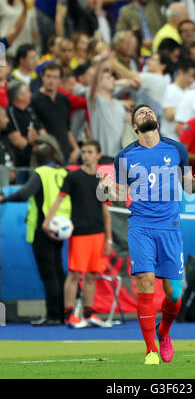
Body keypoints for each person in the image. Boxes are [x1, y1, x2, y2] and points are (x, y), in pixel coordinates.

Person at [98, 103, 195, 365]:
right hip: (141, 226)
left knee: (173, 294)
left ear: (156, 120)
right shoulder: (124, 157)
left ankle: (164, 332)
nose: (147, 113)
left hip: (169, 227)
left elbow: (189, 189)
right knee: (146, 281)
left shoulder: (176, 149)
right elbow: (121, 194)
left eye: (149, 111)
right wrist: (107, 189)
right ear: (135, 126)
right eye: (140, 113)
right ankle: (150, 351)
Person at [42, 140, 113, 328]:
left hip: (98, 234)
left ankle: (89, 314)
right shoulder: (72, 177)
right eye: (83, 152)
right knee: (74, 275)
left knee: (91, 275)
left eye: (90, 152)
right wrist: (47, 222)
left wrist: (109, 239)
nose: (86, 155)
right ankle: (70, 316)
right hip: (79, 234)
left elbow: (106, 211)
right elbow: (58, 201)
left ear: (98, 155)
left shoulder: (102, 180)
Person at [0, 143, 71, 325]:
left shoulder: (41, 173)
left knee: (49, 275)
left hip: (43, 228)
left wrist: (4, 199)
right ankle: (63, 313)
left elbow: (24, 194)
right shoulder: (63, 173)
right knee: (58, 271)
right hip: (60, 228)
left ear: (37, 160)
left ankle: (53, 315)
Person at [31, 63, 80, 165]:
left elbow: (67, 128)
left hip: (65, 153)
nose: (51, 80)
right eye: (48, 76)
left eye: (55, 77)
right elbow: (37, 128)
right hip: (46, 154)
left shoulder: (64, 100)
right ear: (42, 77)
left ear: (59, 80)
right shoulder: (34, 100)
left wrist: (76, 148)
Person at [5, 80, 45, 184]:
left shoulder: (30, 110)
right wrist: (34, 141)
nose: (30, 93)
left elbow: (44, 135)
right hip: (19, 165)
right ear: (20, 96)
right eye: (28, 91)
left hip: (35, 162)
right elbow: (18, 142)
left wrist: (35, 139)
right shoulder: (10, 112)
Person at [160, 59, 195, 140]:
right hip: (171, 138)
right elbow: (169, 115)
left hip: (186, 139)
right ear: (181, 72)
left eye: (194, 77)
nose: (191, 80)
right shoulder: (170, 89)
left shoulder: (191, 91)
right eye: (190, 75)